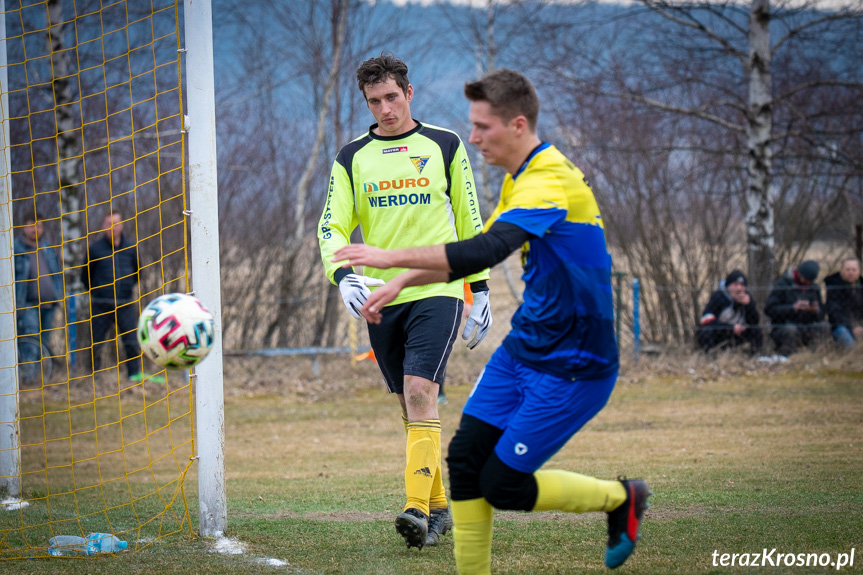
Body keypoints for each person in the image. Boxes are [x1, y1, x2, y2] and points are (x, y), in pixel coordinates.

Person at [334, 68, 650, 573]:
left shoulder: (549, 182)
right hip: (525, 346)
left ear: (518, 125)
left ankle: (620, 498)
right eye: (473, 126)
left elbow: (487, 246)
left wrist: (390, 262)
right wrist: (401, 284)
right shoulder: (519, 178)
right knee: (463, 463)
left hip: (576, 360)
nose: (473, 137)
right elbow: (467, 255)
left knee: (501, 484)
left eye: (483, 127)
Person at [316, 53, 492, 549]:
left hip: (437, 289)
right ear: (367, 103)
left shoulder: (444, 145)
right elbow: (331, 225)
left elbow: (468, 222)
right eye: (375, 101)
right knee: (410, 406)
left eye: (392, 97)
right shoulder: (352, 157)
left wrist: (478, 290)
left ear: (409, 93)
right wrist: (343, 275)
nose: (385, 109)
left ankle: (414, 507)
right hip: (380, 297)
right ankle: (437, 510)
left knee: (420, 391)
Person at [83, 213, 162, 383]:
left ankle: (133, 375)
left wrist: (126, 288)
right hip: (101, 304)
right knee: (97, 342)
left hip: (125, 303)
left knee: (131, 341)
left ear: (122, 225)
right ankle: (94, 377)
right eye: (109, 223)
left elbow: (138, 272)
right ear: (104, 225)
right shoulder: (95, 249)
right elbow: (85, 276)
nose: (113, 227)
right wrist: (99, 291)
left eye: (116, 223)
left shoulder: (130, 247)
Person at [14, 214, 64, 351]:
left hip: (49, 305)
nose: (35, 229)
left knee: (44, 345)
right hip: (28, 305)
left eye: (39, 226)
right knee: (31, 344)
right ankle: (29, 372)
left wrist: (58, 295)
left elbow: (57, 274)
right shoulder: (15, 249)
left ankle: (42, 372)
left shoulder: (47, 248)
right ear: (24, 227)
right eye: (32, 225)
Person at [763, 260, 827, 356]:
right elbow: (769, 309)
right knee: (791, 329)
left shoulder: (814, 288)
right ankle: (789, 356)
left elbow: (822, 314)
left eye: (810, 281)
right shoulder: (782, 285)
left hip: (808, 325)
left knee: (824, 326)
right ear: (799, 273)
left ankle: (819, 355)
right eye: (805, 279)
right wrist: (793, 308)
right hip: (785, 326)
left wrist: (816, 310)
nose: (807, 283)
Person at [697, 269, 762, 354]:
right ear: (728, 286)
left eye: (742, 285)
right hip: (721, 334)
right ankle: (710, 355)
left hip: (739, 335)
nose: (739, 288)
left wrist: (749, 306)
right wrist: (730, 328)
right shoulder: (718, 297)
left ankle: (752, 355)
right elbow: (706, 321)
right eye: (735, 284)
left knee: (756, 331)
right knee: (706, 331)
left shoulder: (748, 298)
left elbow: (754, 322)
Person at [823, 257, 863, 349]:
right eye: (848, 269)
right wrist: (852, 327)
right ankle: (853, 358)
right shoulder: (833, 287)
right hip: (842, 326)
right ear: (842, 271)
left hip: (860, 325)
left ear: (859, 271)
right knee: (846, 337)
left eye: (854, 270)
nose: (851, 273)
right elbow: (834, 313)